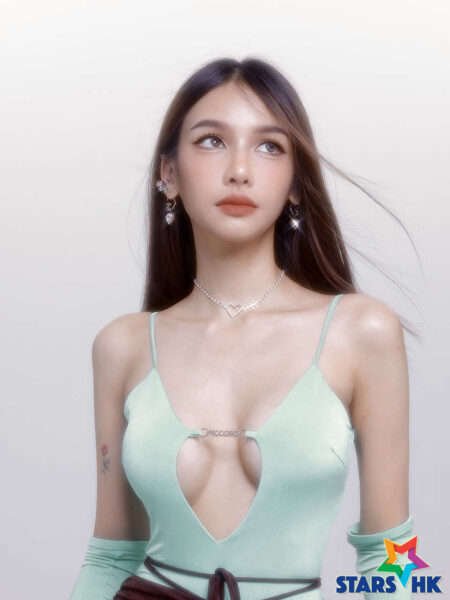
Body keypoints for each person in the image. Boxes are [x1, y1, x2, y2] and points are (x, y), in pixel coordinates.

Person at [69, 57, 414, 600]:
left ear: (296, 184)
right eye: (212, 141)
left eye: (269, 146)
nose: (240, 170)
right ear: (168, 175)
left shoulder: (362, 331)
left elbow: (389, 555)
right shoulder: (123, 345)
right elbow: (110, 558)